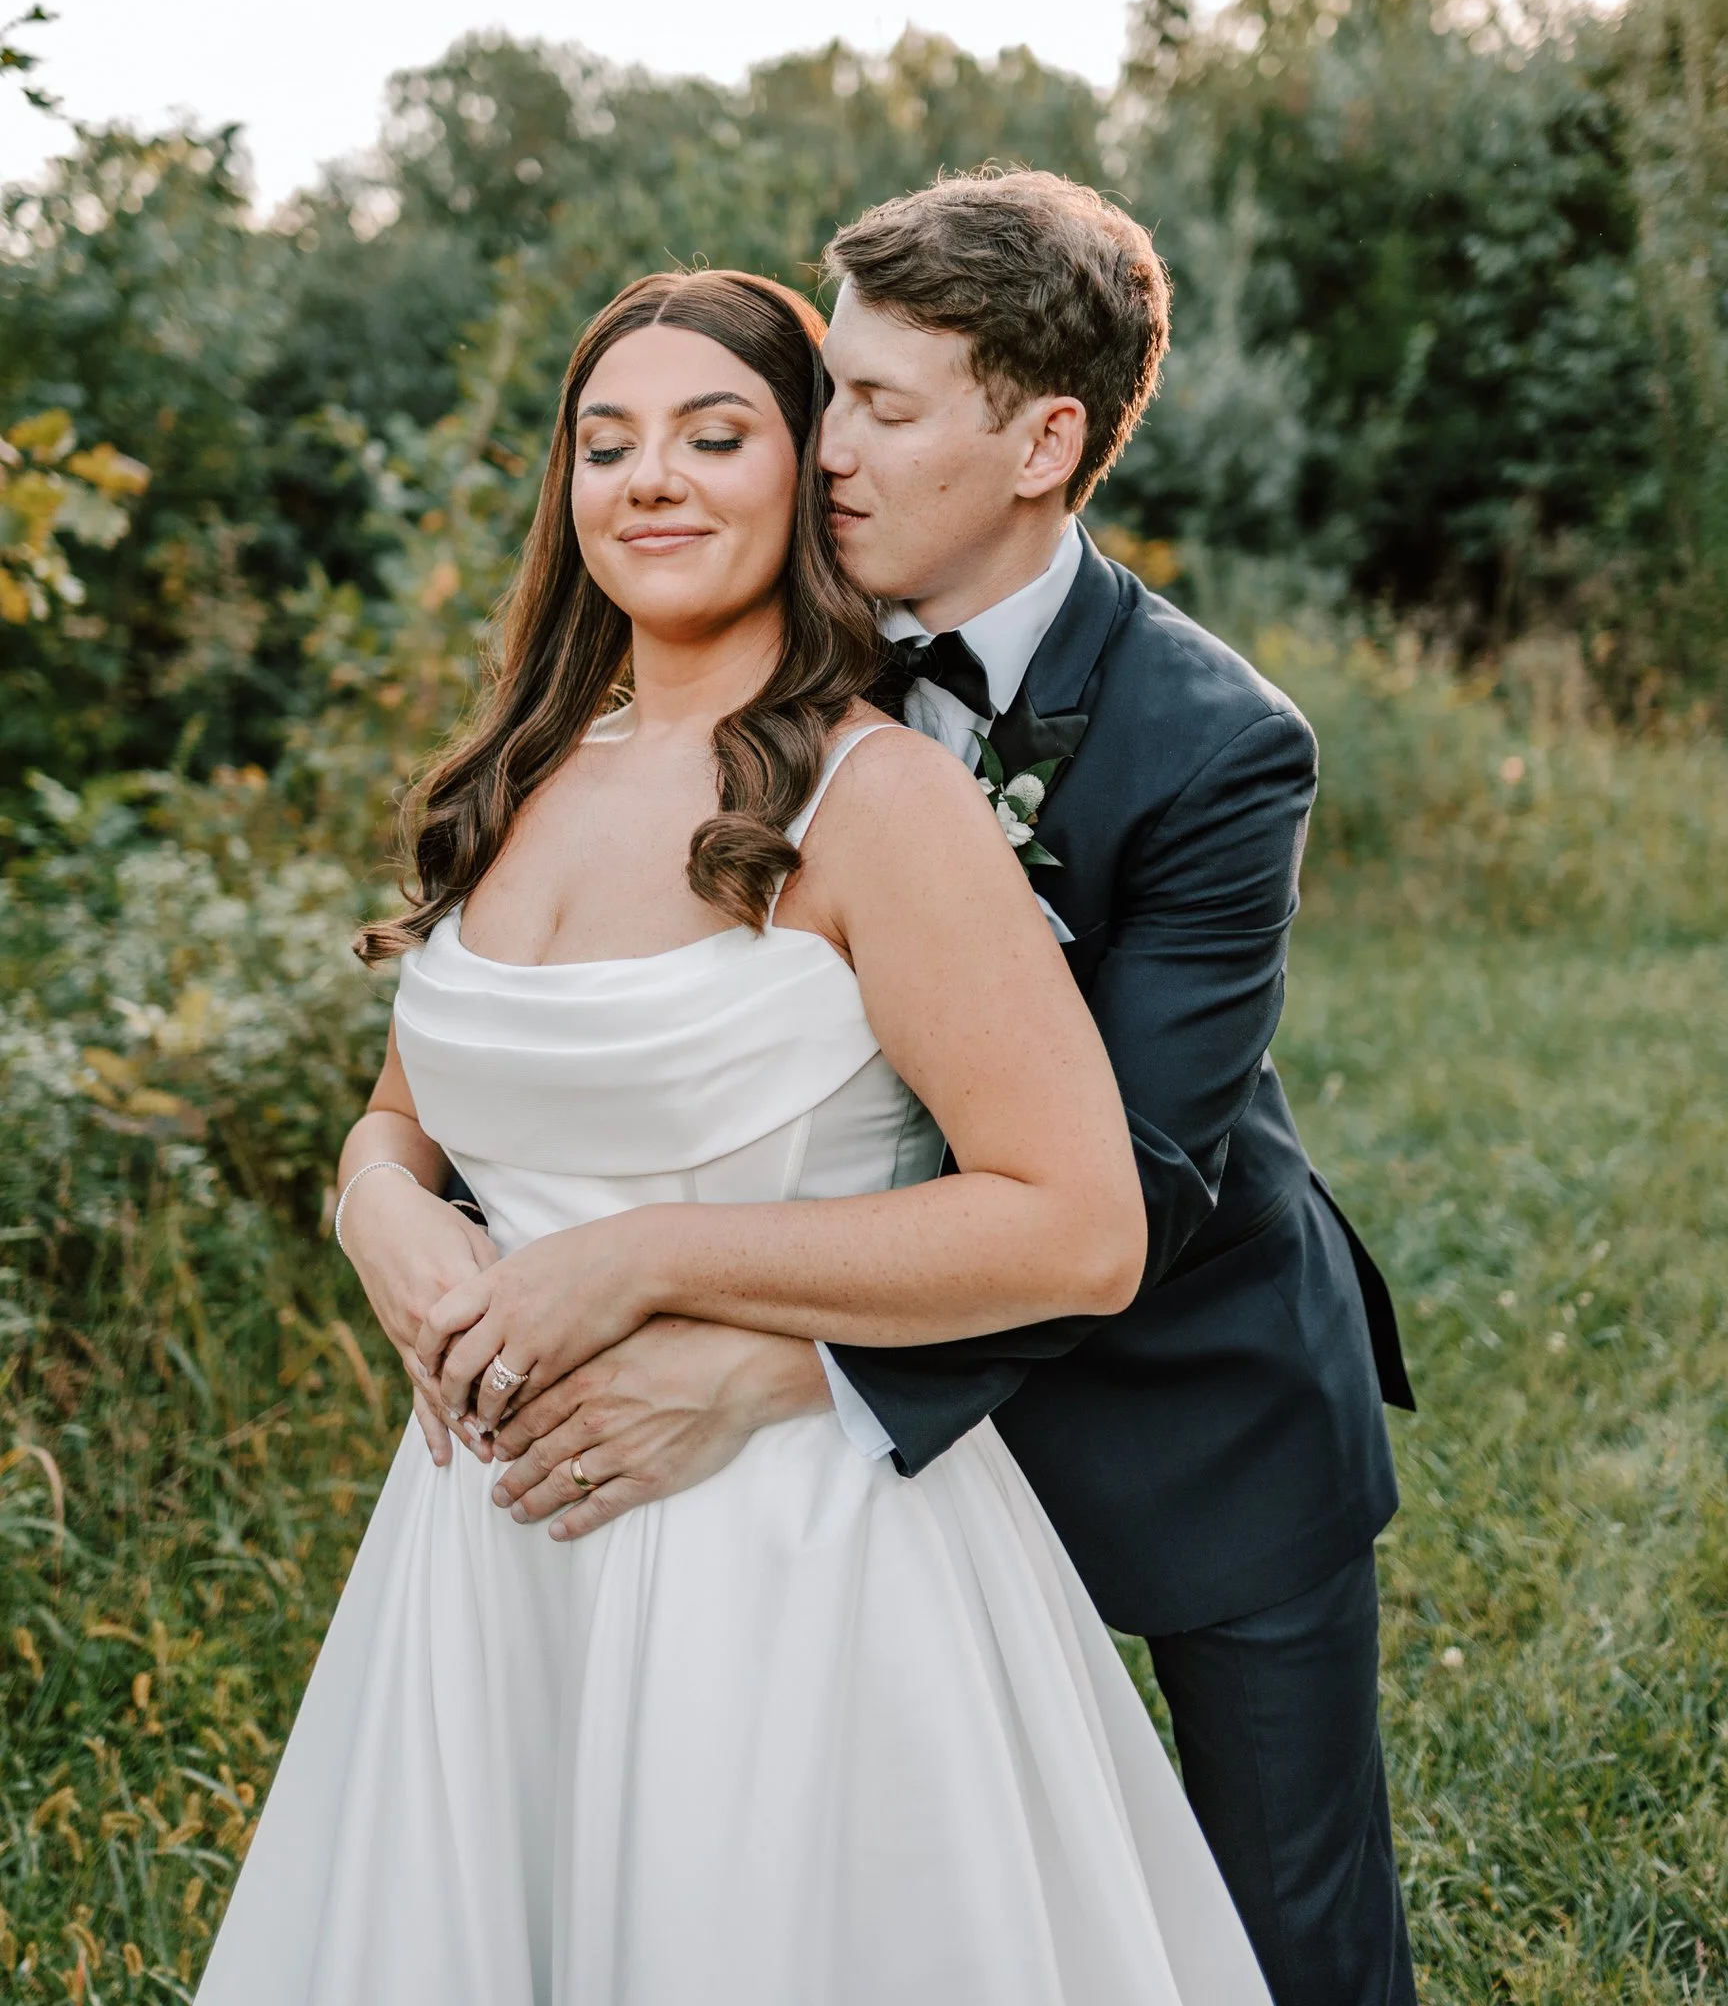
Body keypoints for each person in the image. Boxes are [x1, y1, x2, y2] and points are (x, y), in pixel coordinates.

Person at [196, 267, 1272, 2006]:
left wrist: (637, 1262)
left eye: (717, 434)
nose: (653, 479)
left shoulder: (879, 798)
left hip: (786, 1549)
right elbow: (413, 1118)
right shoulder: (524, 769)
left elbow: (1080, 1224)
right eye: (606, 443)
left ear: (809, 471)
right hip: (487, 1550)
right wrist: (373, 1204)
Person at [484, 175, 1420, 2006]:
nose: (825, 452)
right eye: (830, 392)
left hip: (1188, 1396)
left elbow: (1133, 1190)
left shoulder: (1214, 744)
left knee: (1284, 1933)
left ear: (1042, 441)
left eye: (885, 410)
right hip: (872, 1466)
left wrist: (779, 1364)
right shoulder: (760, 636)